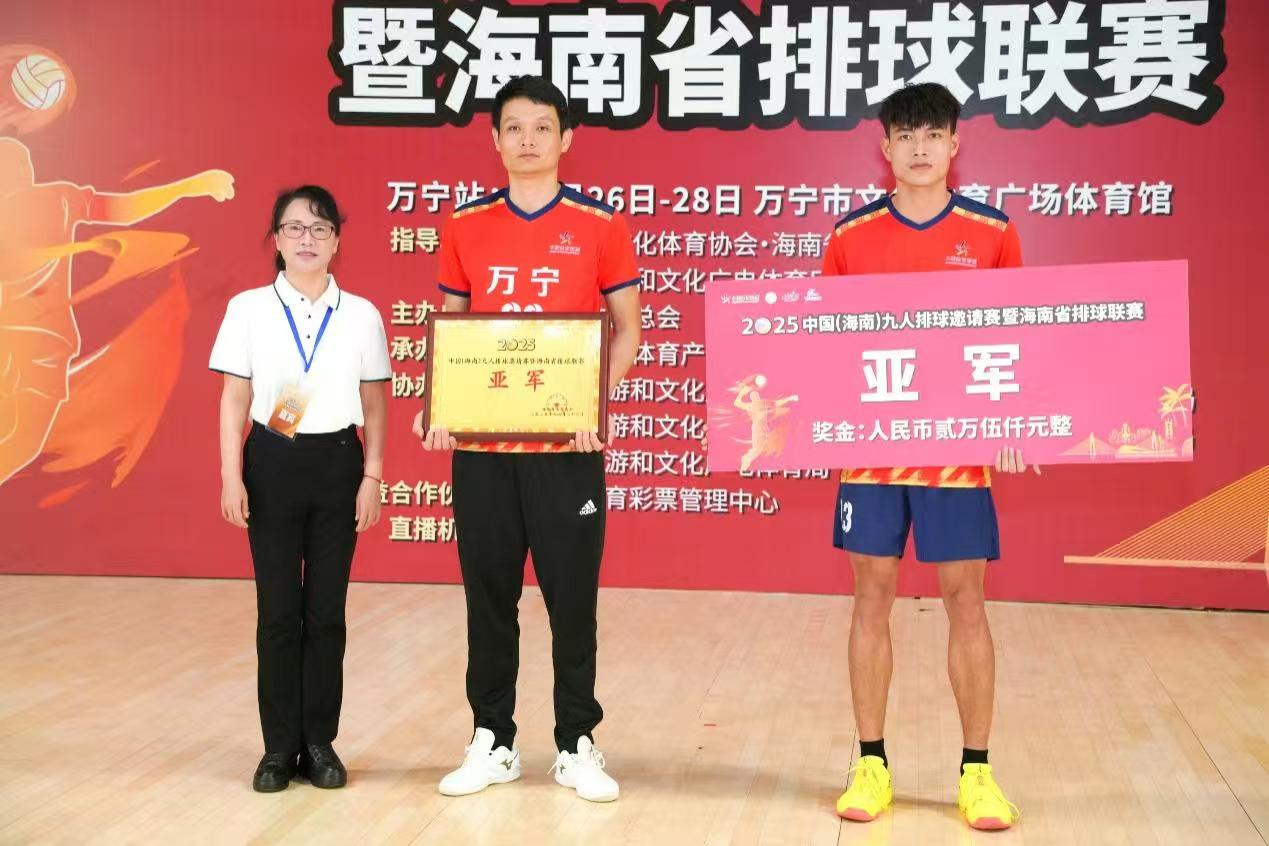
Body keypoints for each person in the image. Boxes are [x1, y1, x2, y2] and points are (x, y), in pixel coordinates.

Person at [410, 76, 641, 803]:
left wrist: (595, 402)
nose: (529, 140)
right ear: (495, 140)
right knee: (488, 599)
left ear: (566, 138)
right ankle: (493, 739)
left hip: (568, 452)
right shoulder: (465, 224)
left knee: (572, 602)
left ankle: (576, 742)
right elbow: (452, 328)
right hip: (484, 454)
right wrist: (439, 403)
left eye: (543, 127)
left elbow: (629, 330)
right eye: (514, 127)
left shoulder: (599, 223)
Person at [823, 83, 1037, 831]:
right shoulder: (850, 235)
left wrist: (1013, 423)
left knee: (965, 600)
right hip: (871, 452)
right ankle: (870, 763)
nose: (919, 148)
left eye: (933, 135)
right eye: (906, 136)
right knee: (870, 598)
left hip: (957, 452)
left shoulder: (991, 231)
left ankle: (976, 772)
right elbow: (825, 346)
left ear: (954, 144)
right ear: (885, 148)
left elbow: (1015, 335)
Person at [210, 185, 390, 792]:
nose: (306, 239)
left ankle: (319, 743)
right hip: (271, 461)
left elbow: (374, 402)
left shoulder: (361, 314)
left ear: (337, 240)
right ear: (277, 240)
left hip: (339, 462)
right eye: (294, 228)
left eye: (319, 229)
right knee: (278, 613)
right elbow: (234, 398)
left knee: (327, 613)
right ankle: (277, 747)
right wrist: (231, 474)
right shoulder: (247, 309)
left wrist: (372, 475)